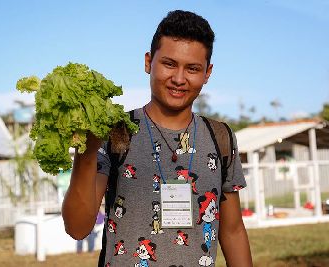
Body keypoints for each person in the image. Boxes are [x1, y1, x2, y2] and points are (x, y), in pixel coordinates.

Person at [62, 10, 253, 267]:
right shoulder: (115, 132)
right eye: (169, 64)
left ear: (207, 73)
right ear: (148, 62)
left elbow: (232, 231)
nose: (178, 78)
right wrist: (87, 150)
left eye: (192, 69)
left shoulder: (220, 137)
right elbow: (77, 227)